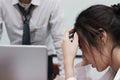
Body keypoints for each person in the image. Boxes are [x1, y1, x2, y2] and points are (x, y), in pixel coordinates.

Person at [0, 0, 65, 80]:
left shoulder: (52, 2)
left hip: (43, 60)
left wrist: (64, 75)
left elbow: (60, 40)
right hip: (14, 60)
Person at [62, 3, 120, 80]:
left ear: (101, 36)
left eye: (83, 48)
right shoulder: (113, 70)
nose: (85, 56)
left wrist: (68, 63)